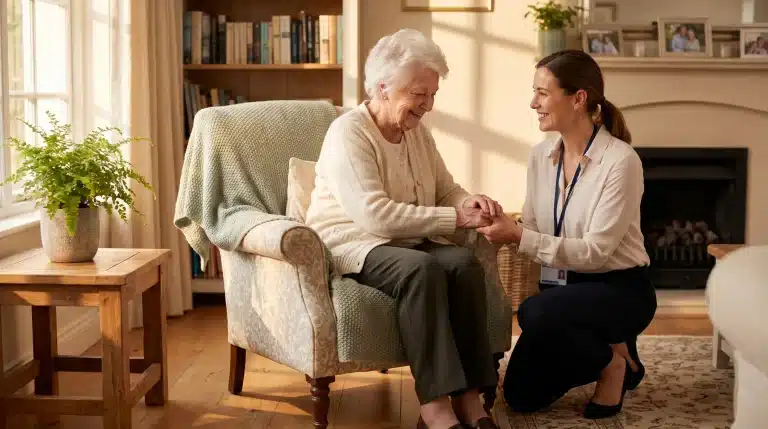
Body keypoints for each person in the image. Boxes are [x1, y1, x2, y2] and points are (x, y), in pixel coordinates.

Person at [305, 28, 502, 429]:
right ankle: (435, 406)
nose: (427, 105)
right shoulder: (349, 133)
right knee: (422, 269)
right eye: (419, 94)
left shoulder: (417, 133)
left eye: (432, 94)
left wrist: (469, 203)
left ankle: (469, 396)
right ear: (383, 87)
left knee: (463, 263)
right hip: (355, 241)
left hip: (408, 239)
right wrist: (455, 218)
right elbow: (375, 216)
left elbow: (445, 188)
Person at [475, 49, 658, 419]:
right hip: (561, 291)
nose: (533, 103)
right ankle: (620, 351)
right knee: (521, 396)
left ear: (578, 98)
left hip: (618, 289)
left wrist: (520, 236)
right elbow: (535, 230)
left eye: (543, 93)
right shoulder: (540, 156)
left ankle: (613, 365)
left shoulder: (620, 161)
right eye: (534, 92)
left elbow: (597, 253)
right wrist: (500, 223)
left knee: (532, 312)